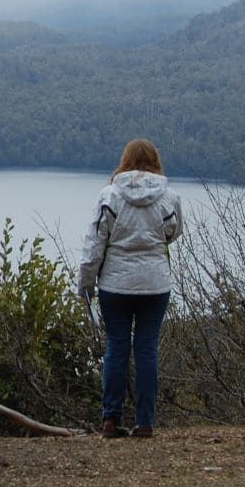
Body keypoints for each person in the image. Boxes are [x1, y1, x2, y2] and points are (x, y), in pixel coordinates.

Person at [78, 138, 183, 438]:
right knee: (147, 348)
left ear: (124, 161)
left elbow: (95, 243)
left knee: (117, 348)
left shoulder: (109, 195)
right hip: (155, 284)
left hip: (115, 284)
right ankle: (145, 421)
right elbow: (173, 232)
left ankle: (110, 419)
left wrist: (85, 284)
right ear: (155, 161)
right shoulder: (170, 197)